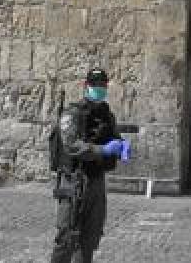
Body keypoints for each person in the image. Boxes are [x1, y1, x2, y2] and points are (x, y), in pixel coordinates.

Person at [50, 68, 130, 263]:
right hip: (74, 181)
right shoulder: (73, 112)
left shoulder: (106, 114)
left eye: (103, 85)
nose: (99, 88)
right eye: (95, 85)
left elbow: (113, 138)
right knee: (67, 236)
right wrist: (103, 150)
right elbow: (71, 145)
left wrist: (122, 146)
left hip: (96, 181)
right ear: (86, 86)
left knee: (90, 236)